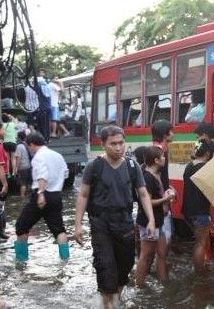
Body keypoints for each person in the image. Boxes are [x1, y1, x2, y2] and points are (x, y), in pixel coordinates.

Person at [74, 125, 155, 309]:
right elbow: (83, 195)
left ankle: (114, 301)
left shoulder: (132, 166)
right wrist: (77, 225)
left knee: (124, 266)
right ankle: (107, 303)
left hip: (124, 222)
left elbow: (143, 194)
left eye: (121, 143)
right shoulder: (94, 166)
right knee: (105, 265)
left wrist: (151, 219)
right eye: (113, 144)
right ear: (103, 144)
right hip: (101, 222)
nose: (118, 147)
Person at [14, 132, 69, 261]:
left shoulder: (39, 156)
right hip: (56, 195)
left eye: (28, 147)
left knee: (21, 227)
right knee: (59, 230)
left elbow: (43, 175)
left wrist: (41, 194)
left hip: (41, 195)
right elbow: (65, 173)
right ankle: (65, 259)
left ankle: (21, 262)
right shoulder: (58, 155)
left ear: (32, 145)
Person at [135, 146, 176, 285]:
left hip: (159, 220)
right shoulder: (147, 178)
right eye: (163, 157)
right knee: (145, 256)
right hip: (148, 222)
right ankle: (139, 286)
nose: (165, 158)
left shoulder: (155, 174)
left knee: (162, 253)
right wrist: (165, 200)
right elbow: (148, 202)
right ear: (156, 160)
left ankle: (163, 282)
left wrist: (168, 193)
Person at [182, 139, 214, 272]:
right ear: (207, 153)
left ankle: (201, 267)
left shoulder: (189, 166)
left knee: (198, 242)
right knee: (200, 244)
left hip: (188, 211)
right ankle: (200, 273)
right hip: (200, 211)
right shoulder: (205, 168)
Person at [151, 120, 177, 244]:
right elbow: (154, 177)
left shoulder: (160, 150)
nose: (173, 133)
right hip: (160, 202)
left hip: (163, 198)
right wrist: (164, 199)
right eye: (171, 131)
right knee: (163, 241)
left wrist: (169, 187)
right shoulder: (159, 152)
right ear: (164, 134)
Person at [13, 131, 32, 197]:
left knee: (23, 183)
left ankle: (22, 196)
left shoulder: (19, 146)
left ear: (19, 138)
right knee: (28, 182)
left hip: (22, 167)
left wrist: (16, 168)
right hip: (29, 166)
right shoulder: (27, 145)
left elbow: (18, 158)